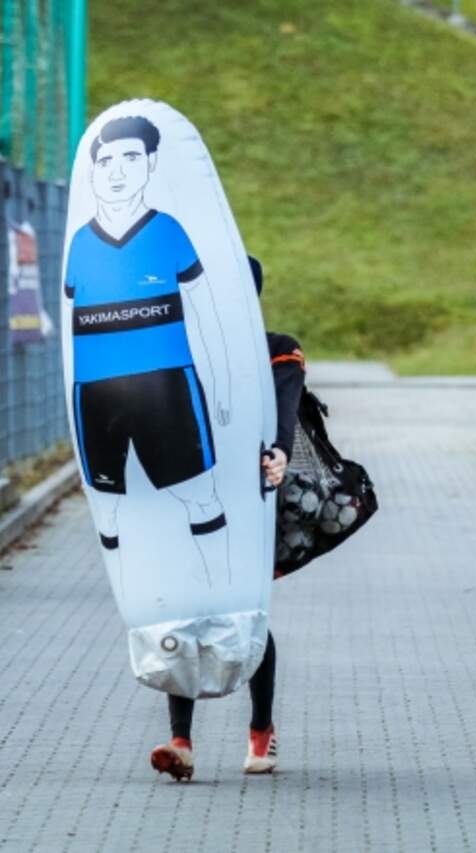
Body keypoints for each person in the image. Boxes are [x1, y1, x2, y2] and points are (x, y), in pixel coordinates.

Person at [149, 255, 305, 780]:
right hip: (190, 493)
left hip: (251, 499)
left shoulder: (278, 350)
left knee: (243, 612)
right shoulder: (182, 349)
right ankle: (181, 742)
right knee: (185, 607)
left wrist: (279, 453)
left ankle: (261, 732)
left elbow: (283, 411)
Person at [64, 115, 234, 592]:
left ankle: (220, 588)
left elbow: (207, 313)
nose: (117, 171)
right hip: (95, 392)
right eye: (106, 161)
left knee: (199, 493)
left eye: (130, 157)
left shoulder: (167, 230)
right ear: (94, 171)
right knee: (108, 504)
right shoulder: (80, 243)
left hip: (168, 384)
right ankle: (132, 595)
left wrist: (221, 385)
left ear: (151, 163)